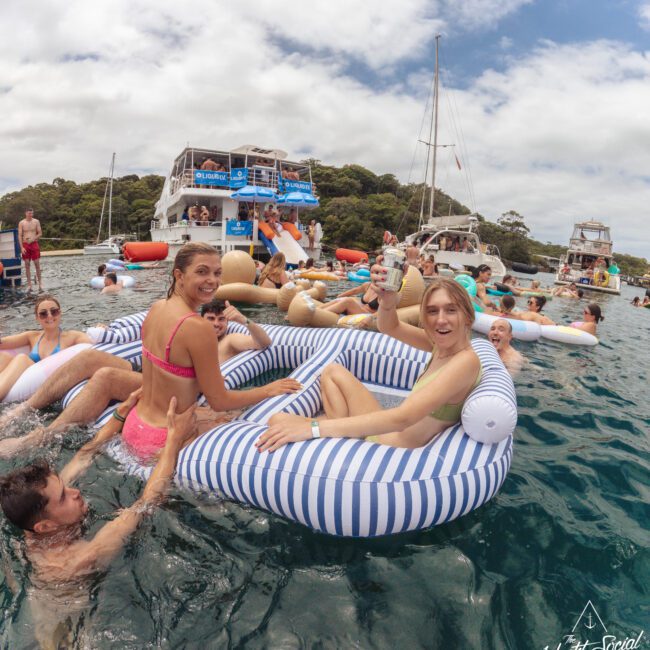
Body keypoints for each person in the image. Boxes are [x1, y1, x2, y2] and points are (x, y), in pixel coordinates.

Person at [0, 299, 275, 458]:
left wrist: (242, 318)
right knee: (88, 359)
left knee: (106, 376)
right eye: (211, 319)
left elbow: (263, 343)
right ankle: (22, 411)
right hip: (151, 378)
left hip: (173, 392)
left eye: (220, 320)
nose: (216, 325)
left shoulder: (229, 341)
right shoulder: (190, 331)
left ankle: (43, 435)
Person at [257, 277, 482, 451]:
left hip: (387, 447)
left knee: (277, 419)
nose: (440, 319)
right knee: (332, 371)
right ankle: (338, 424)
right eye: (433, 311)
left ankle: (335, 426)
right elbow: (390, 327)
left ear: (468, 316)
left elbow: (402, 418)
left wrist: (313, 429)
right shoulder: (441, 345)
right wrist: (387, 302)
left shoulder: (465, 361)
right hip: (387, 431)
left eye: (451, 310)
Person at [121, 243, 300, 461]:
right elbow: (219, 401)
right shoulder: (197, 327)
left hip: (135, 424)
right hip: (164, 438)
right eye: (202, 272)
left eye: (217, 273)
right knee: (246, 419)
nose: (213, 281)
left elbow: (171, 374)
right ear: (179, 275)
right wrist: (269, 389)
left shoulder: (158, 308)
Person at [0, 391, 198, 586]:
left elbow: (83, 456)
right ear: (45, 527)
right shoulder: (73, 561)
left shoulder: (32, 515)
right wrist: (174, 440)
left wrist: (121, 413)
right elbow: (146, 503)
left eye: (65, 487)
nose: (75, 492)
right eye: (63, 498)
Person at [0, 296, 91, 402]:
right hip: (25, 386)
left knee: (22, 359)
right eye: (43, 314)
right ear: (37, 318)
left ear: (60, 313)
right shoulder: (32, 336)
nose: (49, 316)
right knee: (5, 356)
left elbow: (94, 344)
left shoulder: (72, 337)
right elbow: (3, 342)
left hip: (51, 388)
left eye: (54, 311)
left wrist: (103, 329)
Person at [18, 208, 43, 291]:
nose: (31, 215)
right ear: (26, 213)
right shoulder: (21, 223)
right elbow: (20, 236)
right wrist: (21, 247)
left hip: (34, 243)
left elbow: (40, 233)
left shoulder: (36, 221)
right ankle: (29, 284)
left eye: (32, 213)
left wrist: (33, 238)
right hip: (25, 245)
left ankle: (40, 283)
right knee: (27, 264)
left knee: (37, 263)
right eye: (29, 213)